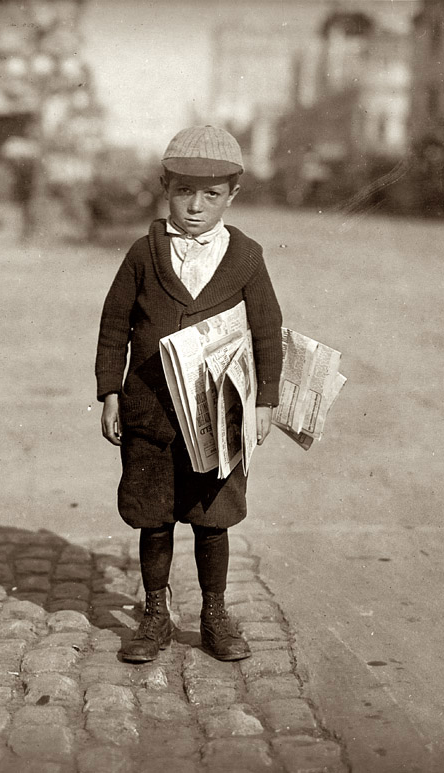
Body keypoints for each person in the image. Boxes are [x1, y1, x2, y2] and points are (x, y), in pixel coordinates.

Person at [95, 126, 283, 663]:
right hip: (150, 412)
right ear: (164, 187)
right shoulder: (143, 254)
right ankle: (155, 612)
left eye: (211, 195)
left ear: (232, 196)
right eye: (183, 192)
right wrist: (110, 392)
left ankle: (214, 613)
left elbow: (268, 330)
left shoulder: (245, 256)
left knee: (212, 519)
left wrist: (264, 402)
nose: (195, 207)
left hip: (216, 417)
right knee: (153, 518)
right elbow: (114, 325)